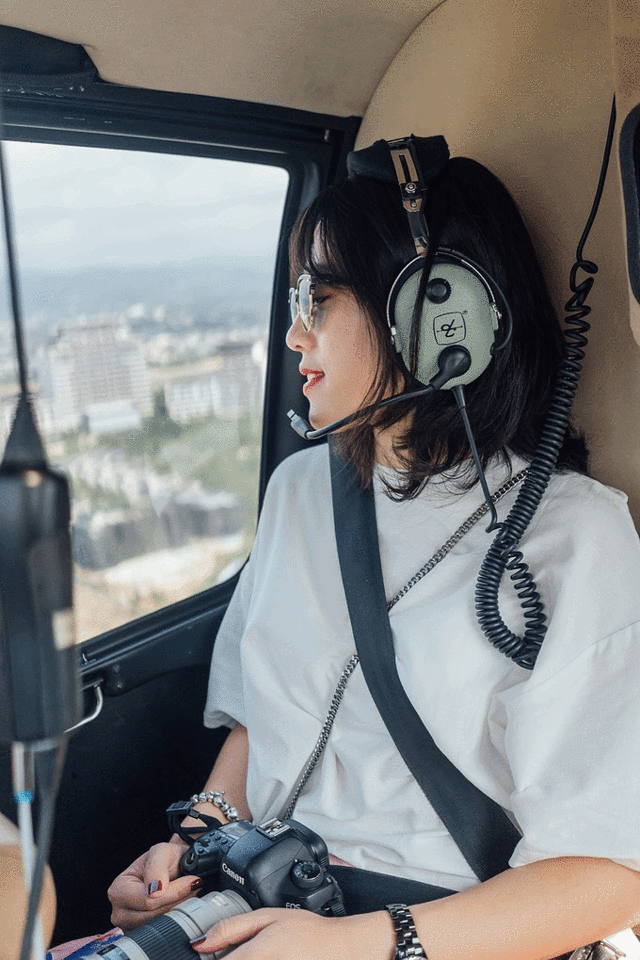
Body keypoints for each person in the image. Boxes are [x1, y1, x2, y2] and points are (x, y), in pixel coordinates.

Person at [107, 137, 640, 960]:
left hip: (445, 931)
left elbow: (610, 873)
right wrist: (196, 839)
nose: (295, 334)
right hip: (267, 904)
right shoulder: (299, 491)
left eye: (319, 299)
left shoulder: (573, 536)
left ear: (437, 317)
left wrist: (362, 942)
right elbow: (264, 716)